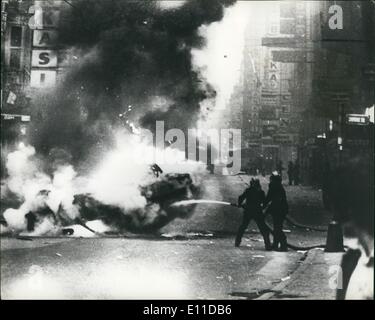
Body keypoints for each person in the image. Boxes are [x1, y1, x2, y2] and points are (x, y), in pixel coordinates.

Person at [235, 178, 271, 250]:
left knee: (243, 226)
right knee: (262, 228)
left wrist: (239, 204)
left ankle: (237, 242)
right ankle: (268, 245)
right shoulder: (260, 192)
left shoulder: (248, 190)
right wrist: (262, 208)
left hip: (248, 211)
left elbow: (241, 197)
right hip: (257, 211)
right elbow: (264, 202)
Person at [264, 173, 288, 251]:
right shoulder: (279, 187)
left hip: (278, 210)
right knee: (277, 228)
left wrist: (264, 208)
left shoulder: (274, 186)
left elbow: (269, 198)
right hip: (281, 209)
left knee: (277, 228)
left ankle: (283, 245)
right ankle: (276, 244)